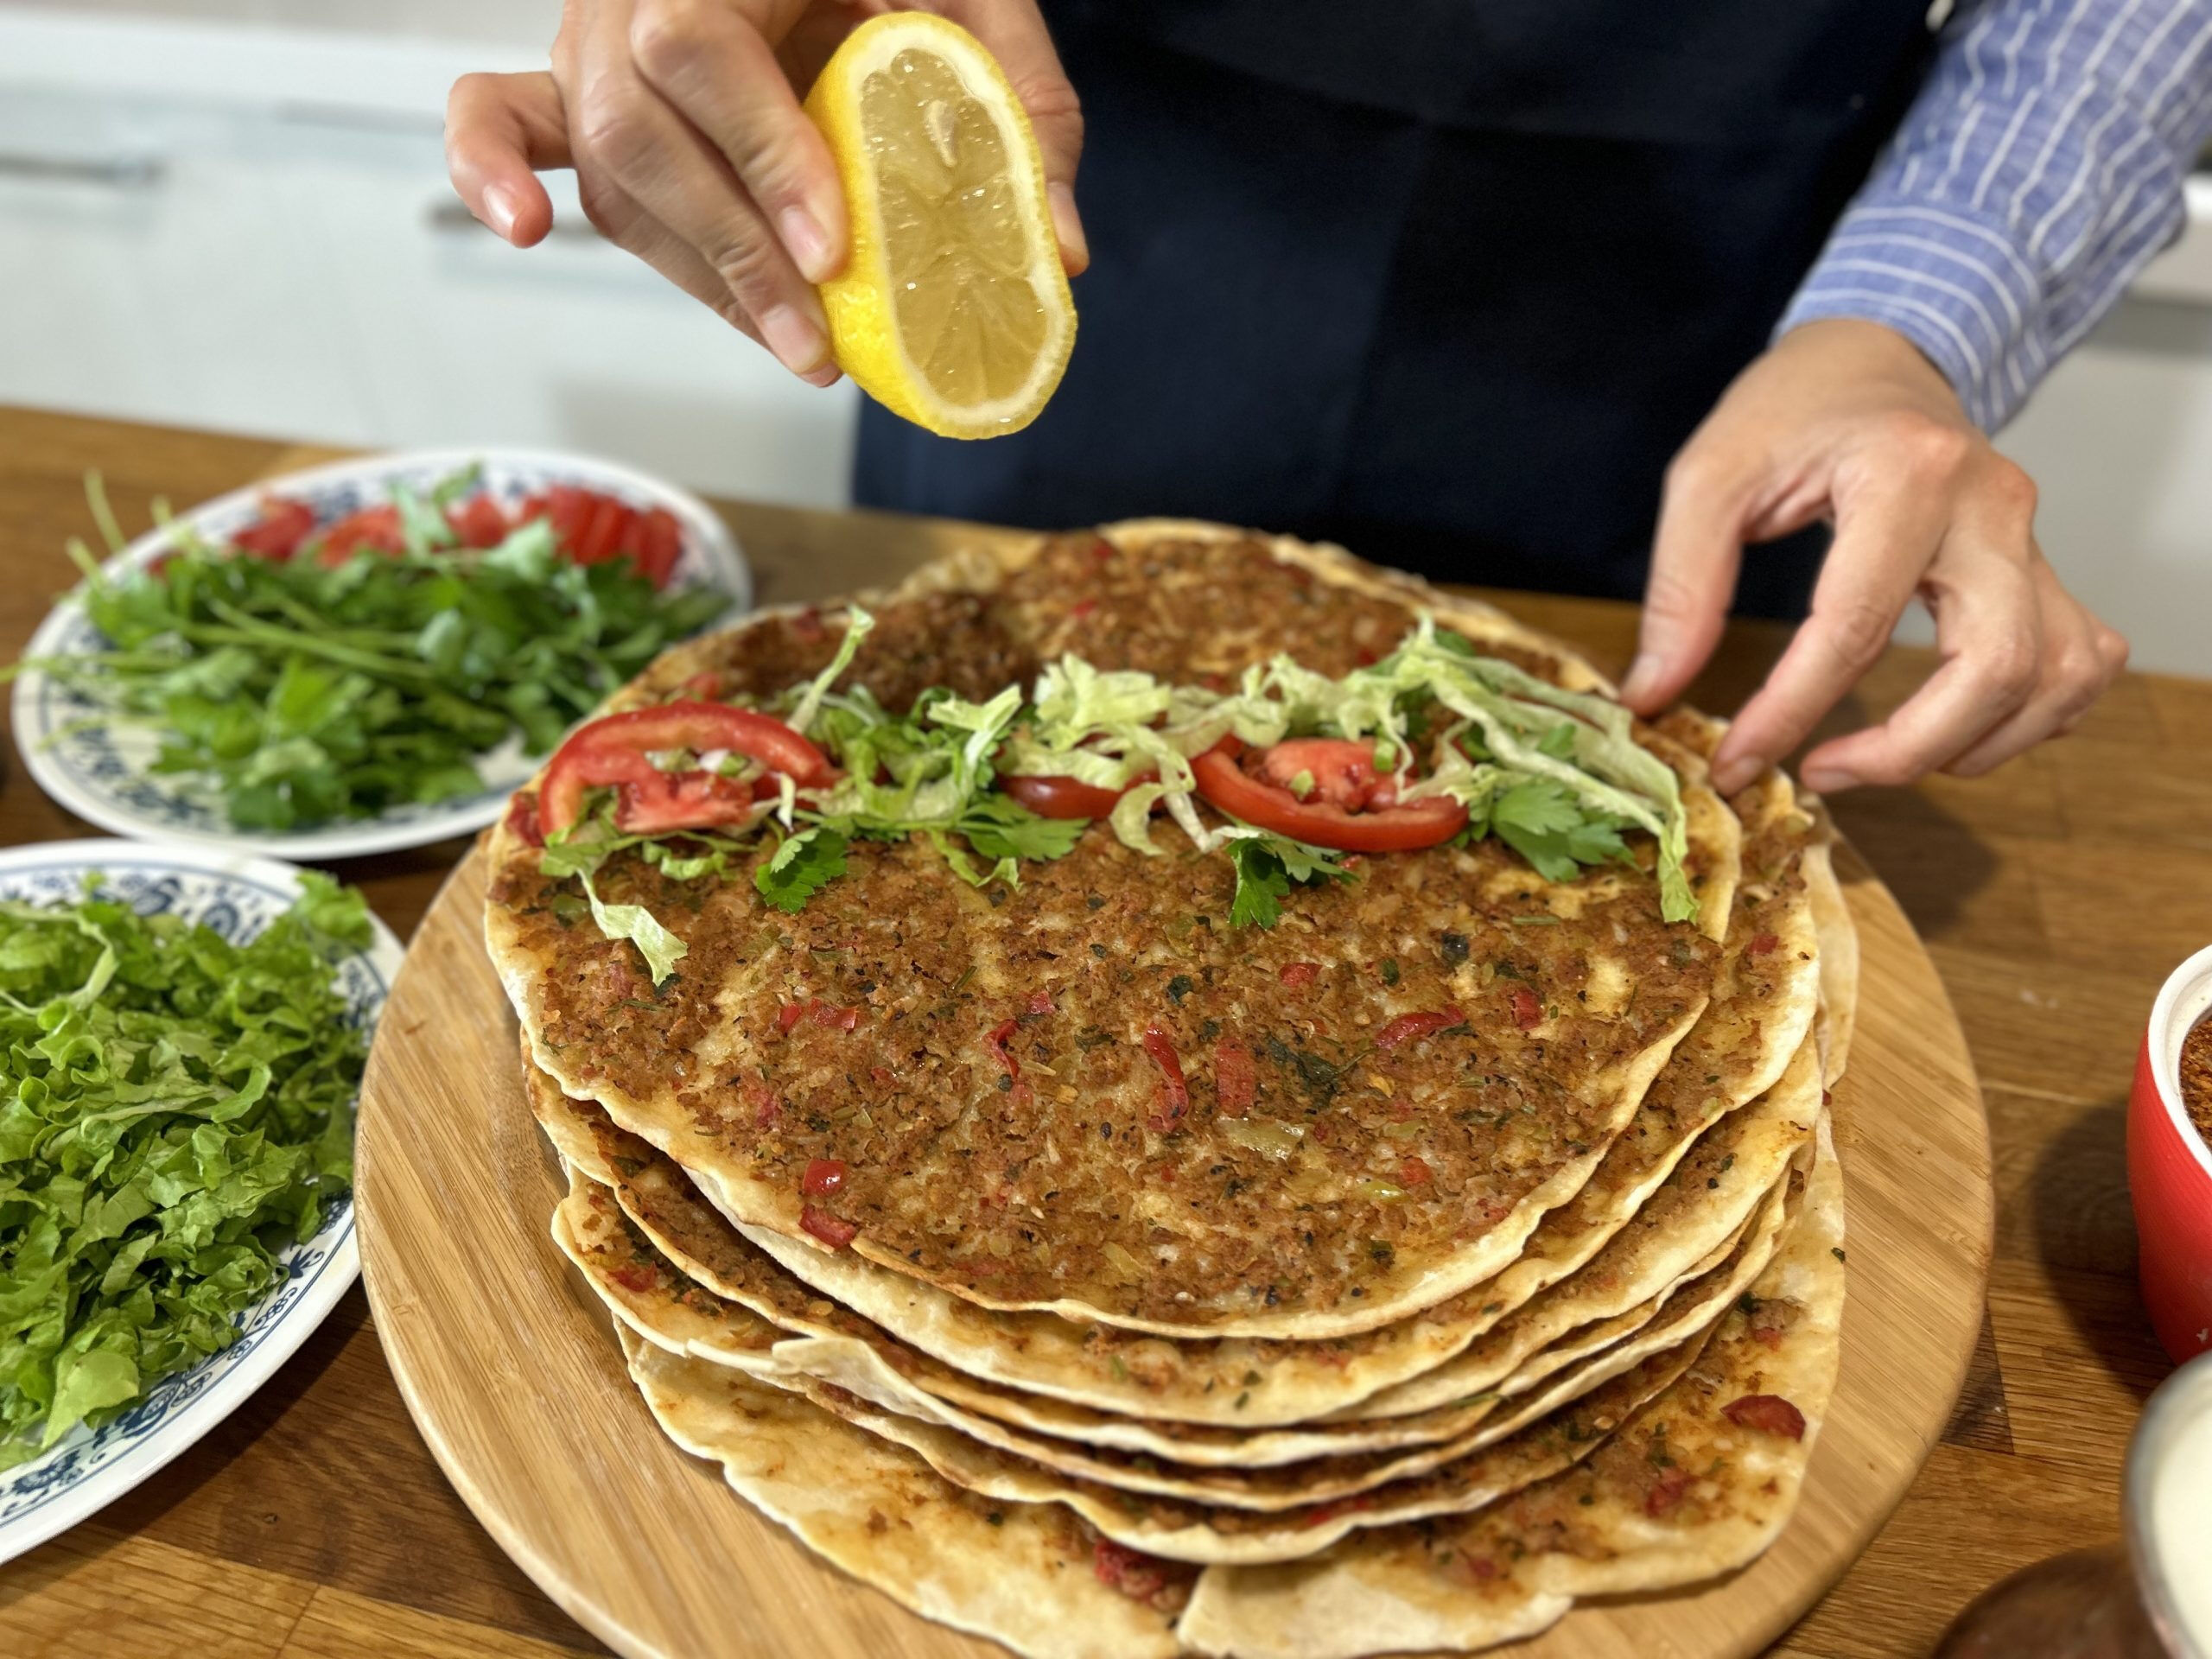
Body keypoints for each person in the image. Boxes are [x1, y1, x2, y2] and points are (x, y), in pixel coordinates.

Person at [443, 1, 2210, 795]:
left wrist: (1910, 323)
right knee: (959, 792)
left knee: (1629, 787)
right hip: (1064, 194)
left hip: (1698, 305)